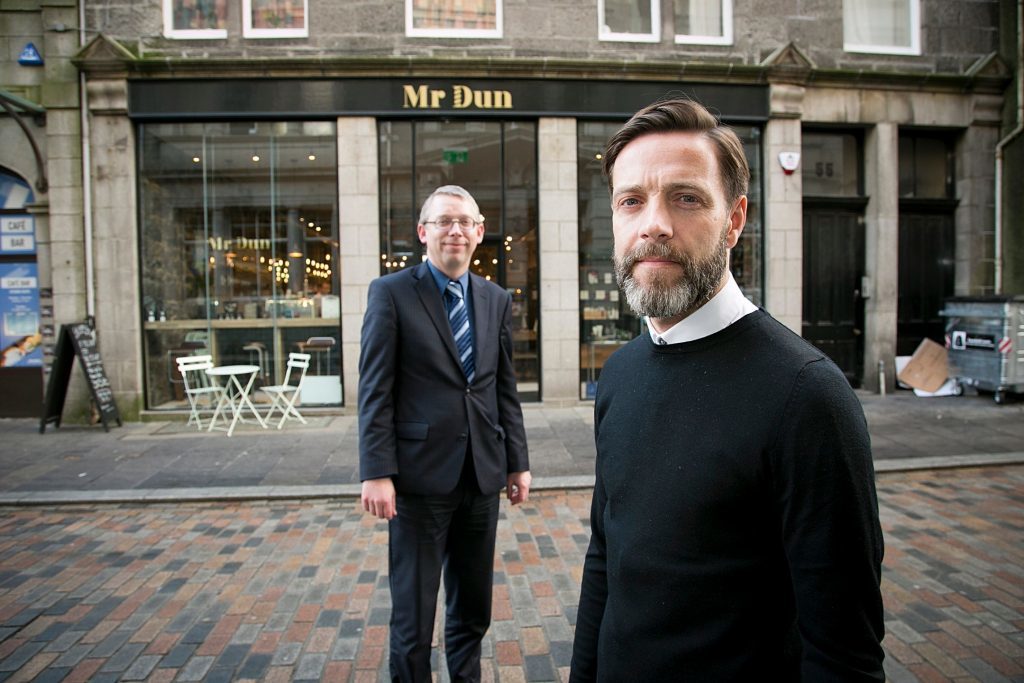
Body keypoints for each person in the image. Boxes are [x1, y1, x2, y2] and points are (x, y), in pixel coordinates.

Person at [569, 98, 885, 681]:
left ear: (735, 219)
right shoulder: (619, 373)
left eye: (686, 198)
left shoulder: (806, 397)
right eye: (630, 201)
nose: (653, 223)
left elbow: (844, 655)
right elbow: (605, 561)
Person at [359, 185, 532, 682]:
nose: (454, 230)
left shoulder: (495, 299)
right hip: (417, 483)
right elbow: (375, 389)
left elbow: (504, 388)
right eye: (443, 221)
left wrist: (517, 462)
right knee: (414, 620)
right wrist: (377, 472)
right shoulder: (391, 293)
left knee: (472, 611)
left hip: (481, 478)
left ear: (479, 233)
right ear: (423, 233)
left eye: (464, 222)